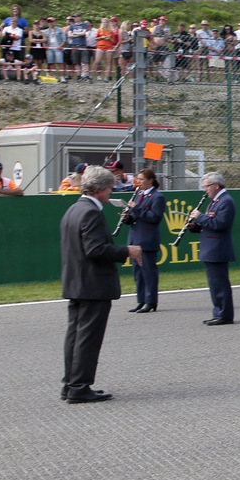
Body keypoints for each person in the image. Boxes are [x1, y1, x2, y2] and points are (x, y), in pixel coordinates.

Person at [60, 166, 143, 403]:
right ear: (98, 190)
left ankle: (70, 383)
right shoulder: (90, 212)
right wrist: (127, 250)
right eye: (109, 189)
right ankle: (79, 386)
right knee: (88, 337)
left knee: (75, 336)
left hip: (76, 282)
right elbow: (95, 250)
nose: (111, 193)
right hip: (92, 285)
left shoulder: (74, 209)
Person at [190, 172, 236, 325]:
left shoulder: (226, 201)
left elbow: (219, 224)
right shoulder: (215, 201)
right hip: (210, 248)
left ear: (216, 185)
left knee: (220, 284)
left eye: (207, 186)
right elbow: (208, 225)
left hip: (218, 248)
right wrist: (194, 226)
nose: (205, 190)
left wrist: (200, 217)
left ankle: (225, 315)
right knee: (214, 284)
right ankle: (218, 312)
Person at [123, 168, 166, 314]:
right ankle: (141, 300)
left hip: (147, 239)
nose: (138, 182)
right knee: (137, 272)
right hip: (135, 238)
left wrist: (137, 208)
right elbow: (137, 217)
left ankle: (151, 301)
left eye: (141, 179)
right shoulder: (139, 195)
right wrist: (128, 217)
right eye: (138, 179)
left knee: (148, 272)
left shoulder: (157, 197)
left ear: (150, 180)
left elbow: (154, 217)